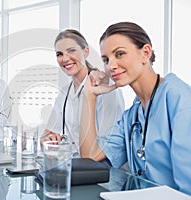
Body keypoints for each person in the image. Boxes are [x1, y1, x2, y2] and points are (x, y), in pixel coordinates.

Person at [80, 22, 191, 194]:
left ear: (145, 53)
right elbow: (89, 159)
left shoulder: (179, 98)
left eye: (120, 54)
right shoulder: (132, 115)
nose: (111, 66)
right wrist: (89, 97)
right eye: (106, 59)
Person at [42, 29, 125, 154]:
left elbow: (109, 146)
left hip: (101, 167)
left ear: (85, 52)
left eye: (71, 51)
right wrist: (49, 139)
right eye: (59, 54)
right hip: (73, 164)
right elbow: (47, 134)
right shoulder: (64, 93)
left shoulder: (105, 88)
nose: (65, 59)